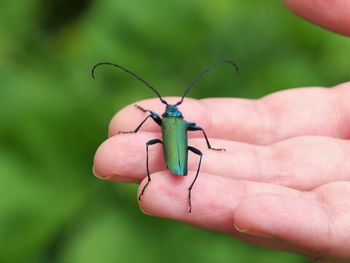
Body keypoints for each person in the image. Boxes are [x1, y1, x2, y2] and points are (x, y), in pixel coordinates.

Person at [93, 1, 350, 261]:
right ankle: (184, 184)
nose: (170, 110)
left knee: (149, 145)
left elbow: (153, 119)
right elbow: (198, 129)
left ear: (167, 116)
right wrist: (209, 144)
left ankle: (158, 179)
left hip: (177, 167)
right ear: (177, 115)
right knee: (194, 151)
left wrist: (135, 130)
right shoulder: (182, 123)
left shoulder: (166, 120)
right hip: (179, 167)